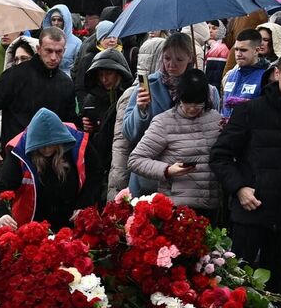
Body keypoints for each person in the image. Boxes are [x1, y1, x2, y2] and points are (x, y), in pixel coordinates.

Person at [211, 52, 281, 290]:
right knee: (238, 286)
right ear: (277, 74)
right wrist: (239, 188)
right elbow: (220, 156)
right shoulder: (250, 111)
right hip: (251, 210)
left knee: (278, 288)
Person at [0, 27, 76, 199]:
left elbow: (69, 123)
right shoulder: (16, 76)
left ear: (64, 51)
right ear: (38, 49)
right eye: (49, 51)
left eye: (59, 52)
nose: (53, 57)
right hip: (17, 162)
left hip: (52, 165)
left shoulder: (65, 83)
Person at [110, 33, 193, 198]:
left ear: (190, 58)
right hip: (149, 176)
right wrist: (140, 110)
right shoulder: (147, 84)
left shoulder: (202, 89)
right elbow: (128, 133)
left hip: (185, 176)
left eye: (179, 59)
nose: (171, 64)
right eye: (167, 58)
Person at [128, 70, 222, 212]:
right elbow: (135, 160)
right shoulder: (164, 122)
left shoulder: (217, 120)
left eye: (198, 104)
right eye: (187, 102)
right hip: (176, 208)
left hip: (212, 206)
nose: (192, 109)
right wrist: (167, 170)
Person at [6, 107, 85, 228]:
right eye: (42, 146)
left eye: (52, 145)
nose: (47, 150)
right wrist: (2, 213)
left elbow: (95, 175)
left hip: (70, 217)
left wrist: (83, 205)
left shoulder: (78, 143)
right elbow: (3, 187)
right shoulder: (18, 152)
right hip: (33, 222)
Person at [78, 48, 130, 207]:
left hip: (123, 156)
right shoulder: (91, 100)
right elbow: (84, 129)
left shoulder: (128, 97)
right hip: (100, 160)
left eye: (108, 73)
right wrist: (86, 127)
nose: (104, 79)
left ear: (119, 73)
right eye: (100, 75)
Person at [221, 28, 270, 112]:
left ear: (256, 50)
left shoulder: (266, 77)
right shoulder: (231, 75)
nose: (238, 54)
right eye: (236, 49)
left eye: (243, 50)